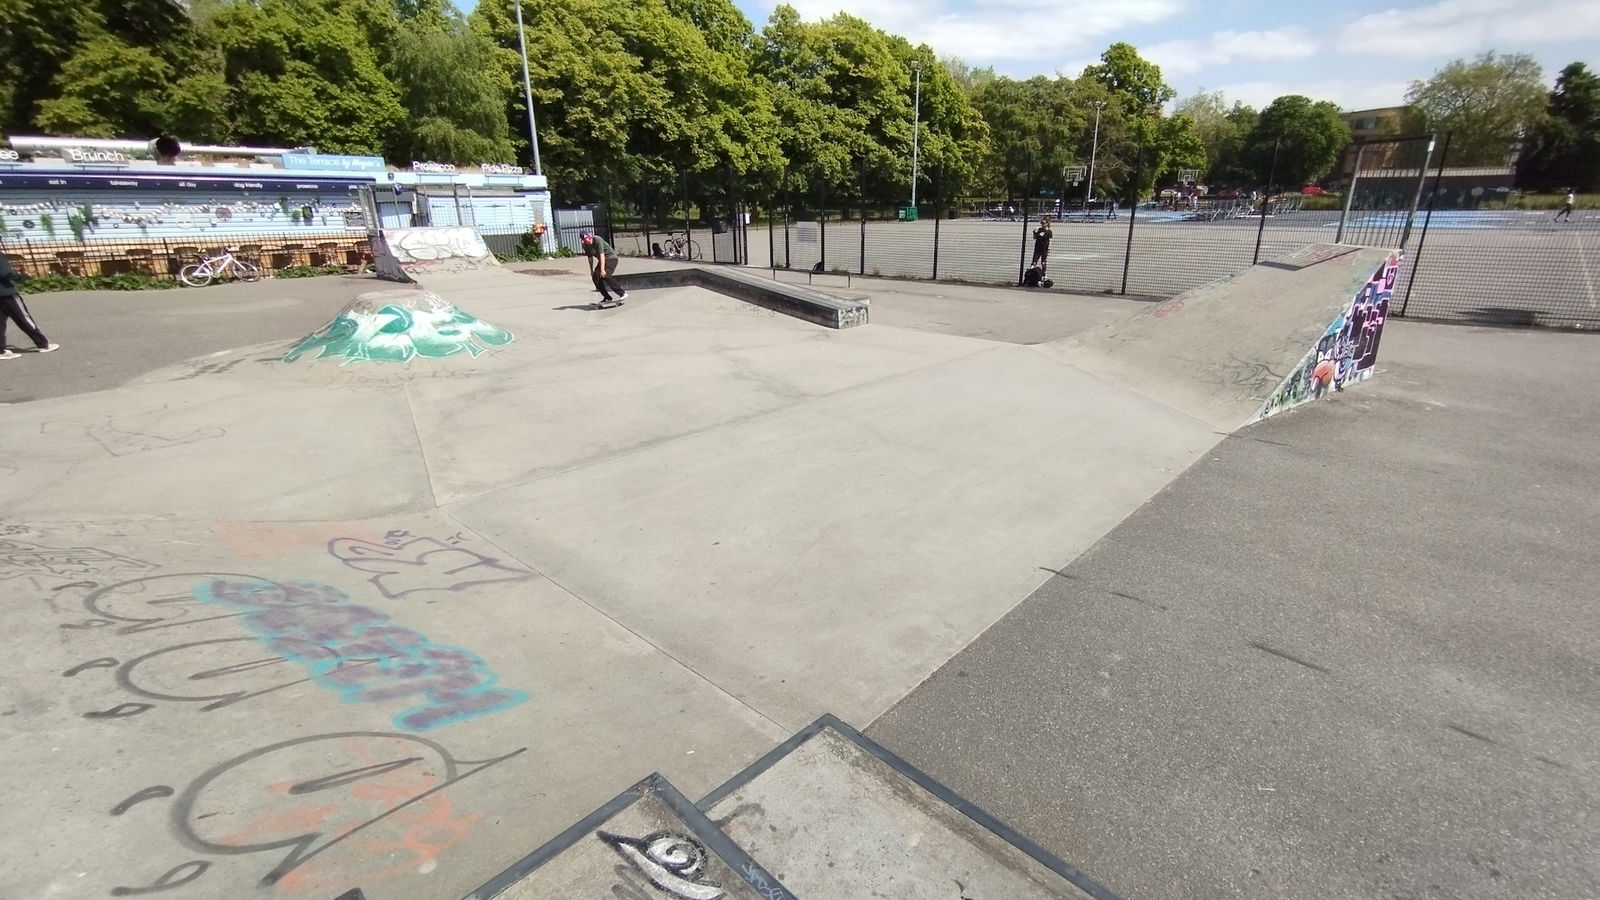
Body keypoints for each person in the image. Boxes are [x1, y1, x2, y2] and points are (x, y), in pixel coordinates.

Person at [0, 251, 57, 360]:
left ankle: (0, 350)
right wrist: (22, 276)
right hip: (7, 294)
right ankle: (43, 343)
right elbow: (5, 273)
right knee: (23, 318)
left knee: (0, 322)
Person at [580, 231, 628, 307]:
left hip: (611, 258)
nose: (589, 242)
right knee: (595, 277)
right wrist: (591, 271)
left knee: (605, 275)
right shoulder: (585, 246)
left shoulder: (597, 239)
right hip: (602, 261)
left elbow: (602, 256)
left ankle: (622, 293)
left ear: (590, 236)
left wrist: (602, 270)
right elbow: (590, 258)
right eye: (586, 241)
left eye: (589, 240)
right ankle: (607, 298)